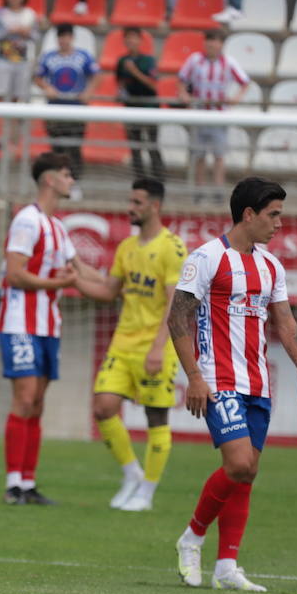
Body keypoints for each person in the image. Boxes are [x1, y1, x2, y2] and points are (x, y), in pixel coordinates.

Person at [168, 177, 297, 592]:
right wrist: (195, 377)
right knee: (238, 464)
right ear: (248, 214)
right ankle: (192, 537)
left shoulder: (271, 266)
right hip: (219, 380)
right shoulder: (206, 258)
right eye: (273, 215)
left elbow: (285, 323)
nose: (279, 224)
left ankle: (227, 567)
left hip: (259, 383)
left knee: (247, 474)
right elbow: (177, 317)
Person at [74, 179, 186, 512]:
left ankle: (147, 493)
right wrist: (73, 278)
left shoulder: (173, 248)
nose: (130, 208)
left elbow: (175, 304)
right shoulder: (127, 247)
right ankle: (132, 474)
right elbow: (109, 291)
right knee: (103, 407)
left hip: (156, 345)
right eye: (130, 201)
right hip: (123, 344)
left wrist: (157, 348)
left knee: (156, 417)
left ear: (155, 206)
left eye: (137, 202)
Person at [0, 151, 94, 506]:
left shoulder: (57, 226)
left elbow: (80, 271)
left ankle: (28, 482)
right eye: (67, 175)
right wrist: (58, 285)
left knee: (37, 403)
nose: (72, 181)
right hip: (20, 322)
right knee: (23, 398)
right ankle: (12, 485)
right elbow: (15, 273)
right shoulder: (27, 220)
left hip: (48, 325)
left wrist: (122, 284)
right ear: (50, 179)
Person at [177, 28, 248, 193]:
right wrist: (183, 94)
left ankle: (218, 190)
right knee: (199, 155)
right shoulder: (195, 60)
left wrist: (236, 97)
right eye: (209, 40)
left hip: (219, 115)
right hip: (199, 114)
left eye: (216, 41)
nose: (212, 44)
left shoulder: (229, 62)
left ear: (221, 44)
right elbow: (181, 79)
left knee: (219, 155)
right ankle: (199, 191)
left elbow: (245, 82)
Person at [36, 24, 97, 186]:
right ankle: (57, 181)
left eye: (67, 36)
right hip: (55, 109)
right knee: (57, 148)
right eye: (61, 37)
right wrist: (47, 88)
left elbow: (96, 75)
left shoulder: (83, 56)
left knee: (74, 147)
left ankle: (74, 182)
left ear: (72, 38)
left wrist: (88, 91)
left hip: (76, 109)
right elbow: (37, 76)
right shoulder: (48, 57)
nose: (64, 40)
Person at [116, 26, 164, 181]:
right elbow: (120, 82)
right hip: (130, 108)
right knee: (135, 147)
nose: (131, 41)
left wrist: (135, 71)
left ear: (140, 40)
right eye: (128, 37)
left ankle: (159, 178)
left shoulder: (148, 61)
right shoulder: (122, 61)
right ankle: (140, 179)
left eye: (134, 37)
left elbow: (153, 84)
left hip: (149, 108)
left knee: (151, 144)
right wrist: (120, 92)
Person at [0, 0, 41, 105]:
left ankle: (13, 122)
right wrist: (8, 31)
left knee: (18, 96)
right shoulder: (0, 14)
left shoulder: (30, 14)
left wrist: (27, 33)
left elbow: (36, 36)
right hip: (3, 59)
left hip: (22, 60)